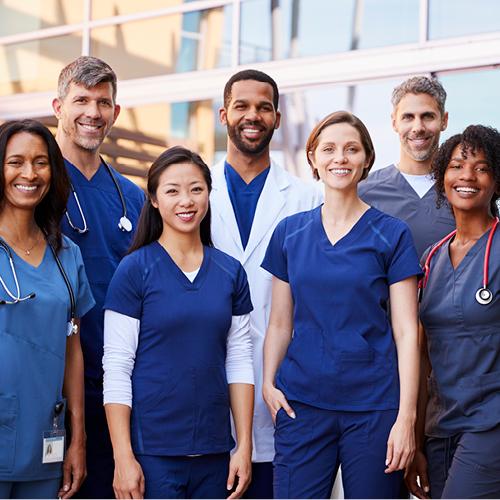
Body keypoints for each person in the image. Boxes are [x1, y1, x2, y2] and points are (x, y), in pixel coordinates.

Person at [262, 111, 422, 499]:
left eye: (351, 149)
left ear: (367, 158)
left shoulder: (392, 234)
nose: (340, 158)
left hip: (374, 408)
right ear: (313, 158)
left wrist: (406, 418)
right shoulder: (290, 233)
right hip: (302, 405)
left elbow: (406, 331)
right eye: (329, 149)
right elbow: (280, 323)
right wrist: (268, 383)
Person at [103, 146, 255, 499]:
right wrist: (123, 456)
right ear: (154, 199)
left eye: (196, 189)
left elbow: (240, 361)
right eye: (172, 190)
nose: (186, 200)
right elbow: (117, 368)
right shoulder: (134, 270)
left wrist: (244, 446)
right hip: (153, 453)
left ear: (208, 194)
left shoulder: (230, 272)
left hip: (215, 453)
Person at [210, 69, 322, 498]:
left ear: (277, 117)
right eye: (241, 106)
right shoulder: (194, 191)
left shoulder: (307, 199)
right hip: (205, 386)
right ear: (224, 114)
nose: (252, 115)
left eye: (263, 107)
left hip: (284, 390)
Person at [52, 56, 145, 498]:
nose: (93, 112)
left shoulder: (133, 195)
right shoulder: (36, 183)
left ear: (116, 112)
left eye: (103, 102)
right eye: (81, 100)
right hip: (55, 376)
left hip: (120, 384)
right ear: (58, 106)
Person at [0, 120, 94, 499]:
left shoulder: (66, 254)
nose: (29, 173)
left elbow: (72, 346)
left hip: (45, 435)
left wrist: (78, 438)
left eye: (41, 162)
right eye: (15, 162)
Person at [406, 125, 500, 499]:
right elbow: (423, 357)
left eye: (481, 167)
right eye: (458, 165)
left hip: (490, 423)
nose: (467, 176)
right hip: (440, 427)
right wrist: (414, 442)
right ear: (442, 174)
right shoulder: (431, 258)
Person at [359, 76, 455, 257]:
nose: (418, 127)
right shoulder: (364, 193)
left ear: (444, 120)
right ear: (394, 122)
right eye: (408, 117)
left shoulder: (464, 190)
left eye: (427, 116)